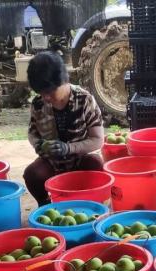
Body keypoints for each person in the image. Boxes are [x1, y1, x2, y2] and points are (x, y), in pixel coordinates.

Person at [24, 51, 104, 206]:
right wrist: (38, 145)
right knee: (32, 174)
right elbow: (32, 133)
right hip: (52, 163)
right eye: (41, 92)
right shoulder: (38, 104)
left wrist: (68, 148)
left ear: (63, 81)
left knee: (96, 164)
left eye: (49, 92)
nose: (46, 97)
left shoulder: (84, 99)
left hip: (79, 160)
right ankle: (46, 206)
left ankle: (92, 205)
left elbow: (97, 140)